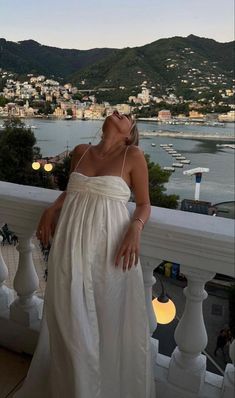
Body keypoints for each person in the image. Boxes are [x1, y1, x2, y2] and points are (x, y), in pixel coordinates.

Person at [14, 110, 155, 398]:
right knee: (69, 320)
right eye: (116, 111)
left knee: (108, 320)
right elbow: (74, 191)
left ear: (129, 133)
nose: (117, 112)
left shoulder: (133, 155)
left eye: (126, 115)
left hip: (110, 250)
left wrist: (136, 229)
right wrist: (54, 206)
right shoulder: (80, 151)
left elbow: (144, 204)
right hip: (69, 246)